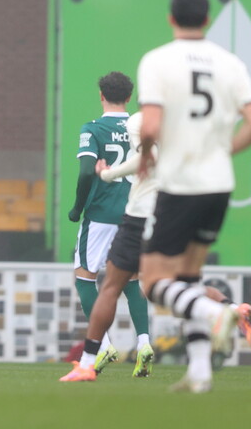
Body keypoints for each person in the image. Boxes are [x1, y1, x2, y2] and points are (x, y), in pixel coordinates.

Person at [61, 111, 251, 383]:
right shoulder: (183, 122)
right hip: (178, 210)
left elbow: (148, 158)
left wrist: (110, 175)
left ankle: (88, 362)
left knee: (113, 286)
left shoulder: (141, 120)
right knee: (180, 285)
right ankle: (233, 308)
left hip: (140, 215)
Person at [136, 0, 251, 393]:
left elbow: (152, 125)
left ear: (170, 18)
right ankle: (199, 372)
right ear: (207, 19)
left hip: (181, 182)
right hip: (219, 184)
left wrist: (144, 155)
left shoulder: (157, 60)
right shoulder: (231, 63)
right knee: (189, 278)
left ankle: (216, 313)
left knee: (152, 281)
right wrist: (224, 150)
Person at [65, 72, 150, 373]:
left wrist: (77, 208)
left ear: (101, 94)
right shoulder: (140, 128)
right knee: (131, 278)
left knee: (85, 277)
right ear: (129, 97)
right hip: (134, 214)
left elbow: (87, 171)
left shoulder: (93, 129)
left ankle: (103, 346)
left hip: (101, 215)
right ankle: (144, 342)